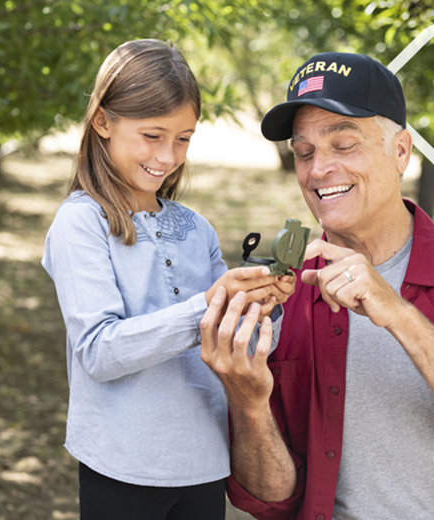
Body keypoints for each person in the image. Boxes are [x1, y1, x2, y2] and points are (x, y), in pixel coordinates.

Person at [199, 52, 434, 520]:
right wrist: (247, 404)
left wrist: (398, 314)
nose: (317, 170)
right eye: (304, 152)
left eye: (344, 144)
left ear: (401, 151)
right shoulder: (284, 297)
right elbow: (270, 501)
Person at [41, 39, 295, 519]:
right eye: (153, 135)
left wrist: (262, 307)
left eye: (183, 138)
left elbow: (239, 345)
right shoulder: (82, 223)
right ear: (103, 122)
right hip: (122, 463)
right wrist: (208, 304)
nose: (168, 155)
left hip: (204, 460)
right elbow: (98, 350)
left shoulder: (195, 228)